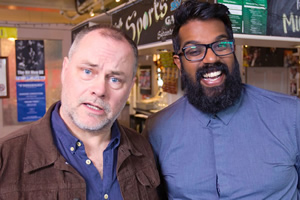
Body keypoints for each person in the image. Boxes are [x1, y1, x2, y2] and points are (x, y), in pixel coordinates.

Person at [142, 1, 300, 199]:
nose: (210, 58)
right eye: (194, 51)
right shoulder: (157, 129)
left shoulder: (292, 115)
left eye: (221, 45)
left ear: (233, 49)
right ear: (179, 63)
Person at [0, 25, 160, 200]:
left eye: (115, 79)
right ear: (65, 69)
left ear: (130, 87)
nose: (99, 90)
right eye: (88, 71)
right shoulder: (6, 158)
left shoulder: (143, 149)